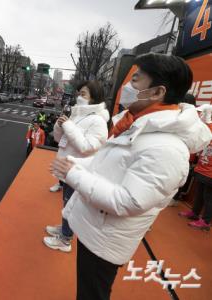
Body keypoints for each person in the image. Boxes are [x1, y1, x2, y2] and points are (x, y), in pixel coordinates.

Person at [50, 53, 211, 300]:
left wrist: (74, 175)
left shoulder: (166, 147)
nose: (127, 87)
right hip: (96, 226)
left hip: (106, 239)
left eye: (136, 80)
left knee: (92, 293)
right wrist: (76, 164)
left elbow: (129, 201)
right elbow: (108, 162)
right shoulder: (136, 124)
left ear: (157, 92)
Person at [44, 80, 110, 253]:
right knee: (67, 202)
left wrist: (68, 125)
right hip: (67, 166)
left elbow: (87, 147)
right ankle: (65, 229)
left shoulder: (98, 120)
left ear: (94, 97)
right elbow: (60, 139)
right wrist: (59, 126)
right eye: (79, 93)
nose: (79, 97)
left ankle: (65, 239)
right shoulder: (77, 115)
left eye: (84, 94)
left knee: (70, 202)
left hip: (79, 169)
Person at [178, 104, 212, 231]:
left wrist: (207, 118)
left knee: (209, 198)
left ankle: (206, 222)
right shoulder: (207, 128)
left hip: (210, 173)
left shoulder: (209, 128)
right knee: (199, 193)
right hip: (203, 168)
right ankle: (195, 213)